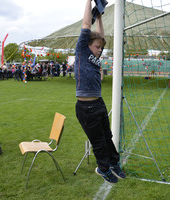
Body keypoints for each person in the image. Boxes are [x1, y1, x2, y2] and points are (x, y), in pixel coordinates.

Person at [74, 0, 125, 184]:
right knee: (99, 142)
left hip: (98, 103)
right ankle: (103, 169)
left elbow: (101, 35)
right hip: (86, 107)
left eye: (101, 48)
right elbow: (87, 25)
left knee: (108, 137)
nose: (99, 51)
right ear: (87, 44)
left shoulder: (95, 53)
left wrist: (101, 17)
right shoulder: (81, 50)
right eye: (97, 47)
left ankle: (113, 162)